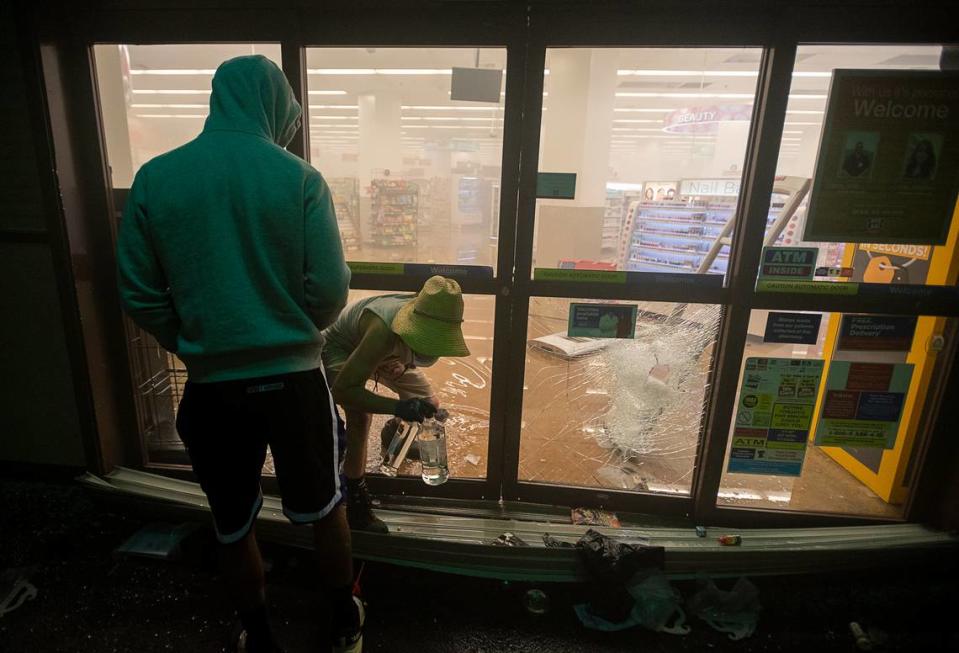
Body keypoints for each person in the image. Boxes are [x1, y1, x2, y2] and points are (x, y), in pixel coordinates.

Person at [117, 55, 361, 653]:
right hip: (296, 383)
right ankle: (343, 622)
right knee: (326, 507)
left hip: (212, 388)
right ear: (276, 108)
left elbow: (139, 292)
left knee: (231, 521)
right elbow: (329, 291)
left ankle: (259, 636)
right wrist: (291, 328)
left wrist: (194, 342)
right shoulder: (299, 179)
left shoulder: (157, 177)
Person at [322, 276, 471, 533]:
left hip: (386, 351)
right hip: (343, 347)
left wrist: (406, 367)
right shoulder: (383, 331)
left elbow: (415, 349)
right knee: (360, 416)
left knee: (429, 403)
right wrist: (398, 406)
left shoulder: (429, 307)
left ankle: (392, 431)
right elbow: (343, 391)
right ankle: (356, 501)